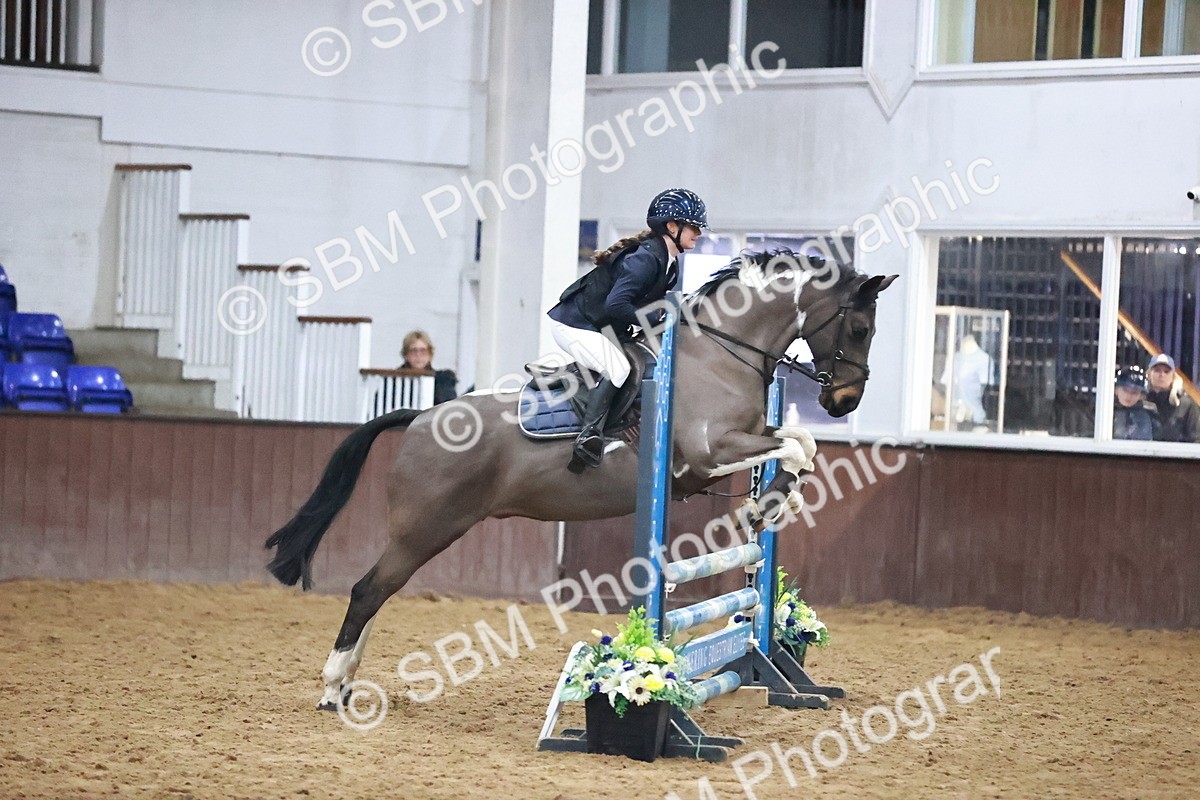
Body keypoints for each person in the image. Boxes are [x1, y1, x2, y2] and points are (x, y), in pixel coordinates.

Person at [547, 188, 708, 470]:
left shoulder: (668, 262)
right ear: (672, 226)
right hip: (574, 325)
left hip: (602, 327)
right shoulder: (644, 258)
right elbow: (616, 305)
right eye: (694, 227)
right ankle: (588, 437)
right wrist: (658, 317)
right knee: (618, 368)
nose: (699, 233)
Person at [1145, 353, 1200, 443]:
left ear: (1173, 376)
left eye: (1166, 371)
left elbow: (1197, 439)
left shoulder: (1186, 405)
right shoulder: (1141, 401)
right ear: (1149, 374)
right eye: (1157, 370)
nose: (1162, 374)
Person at [399, 330, 457, 405]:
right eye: (413, 351)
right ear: (406, 355)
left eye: (423, 351)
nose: (418, 355)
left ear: (430, 355)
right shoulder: (395, 381)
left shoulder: (442, 381)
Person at [1113, 365, 1158, 441]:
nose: (1129, 395)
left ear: (1142, 395)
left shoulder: (1150, 414)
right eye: (1125, 390)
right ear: (1116, 390)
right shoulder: (1103, 412)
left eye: (1135, 392)